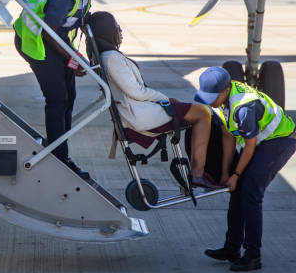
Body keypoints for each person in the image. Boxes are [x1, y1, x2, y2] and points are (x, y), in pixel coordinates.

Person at [86, 11, 220, 189]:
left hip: (137, 110)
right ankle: (197, 174)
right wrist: (164, 100)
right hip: (138, 114)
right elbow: (136, 92)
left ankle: (198, 171)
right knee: (203, 113)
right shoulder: (111, 59)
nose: (120, 30)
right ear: (106, 32)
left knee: (195, 112)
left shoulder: (107, 57)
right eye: (116, 27)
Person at [194, 67, 296, 272]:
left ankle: (253, 255)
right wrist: (226, 173)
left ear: (225, 90)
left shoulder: (244, 107)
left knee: (250, 193)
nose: (209, 101)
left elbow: (249, 145)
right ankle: (231, 249)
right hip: (258, 143)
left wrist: (237, 174)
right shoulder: (219, 101)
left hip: (278, 141)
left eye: (213, 97)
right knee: (237, 193)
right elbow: (227, 135)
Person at [13, 0, 104, 179]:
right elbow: (49, 31)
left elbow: (75, 17)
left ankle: (58, 146)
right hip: (36, 42)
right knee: (57, 100)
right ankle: (59, 159)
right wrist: (74, 60)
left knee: (69, 97)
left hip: (56, 40)